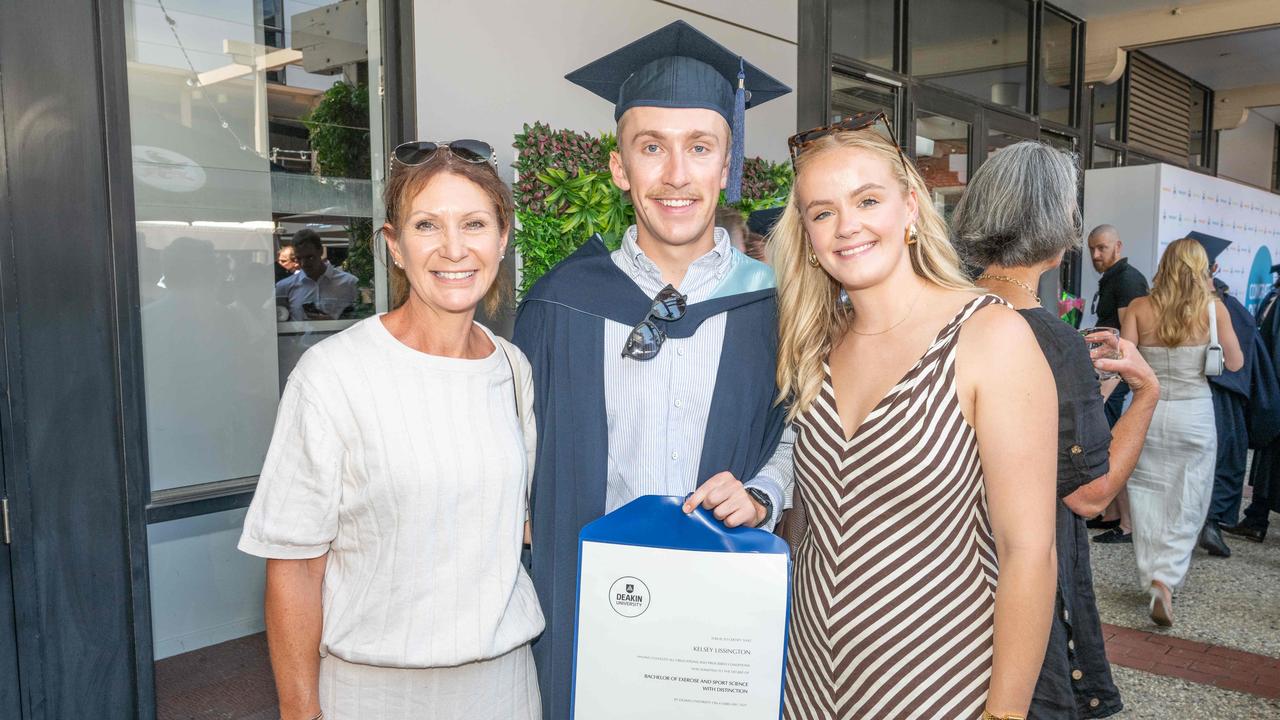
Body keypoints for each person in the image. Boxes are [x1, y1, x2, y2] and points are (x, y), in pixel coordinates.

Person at [513, 21, 794, 720]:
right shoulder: (559, 304)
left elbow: (801, 432)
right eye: (651, 148)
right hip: (590, 606)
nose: (676, 174)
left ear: (727, 165)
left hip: (720, 612)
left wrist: (763, 492)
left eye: (700, 147)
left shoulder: (776, 304)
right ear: (619, 167)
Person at [239, 141, 544, 719]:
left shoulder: (512, 367)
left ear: (502, 240)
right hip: (374, 692)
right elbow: (295, 566)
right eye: (427, 225)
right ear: (394, 245)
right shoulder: (333, 374)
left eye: (475, 224)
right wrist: (300, 713)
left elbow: (517, 521)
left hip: (504, 685)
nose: (454, 248)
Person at [774, 117, 1057, 720]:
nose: (846, 225)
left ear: (909, 207)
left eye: (867, 200)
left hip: (940, 685)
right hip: (809, 685)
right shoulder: (813, 345)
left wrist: (1002, 715)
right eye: (822, 212)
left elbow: (1029, 551)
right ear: (806, 235)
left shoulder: (989, 336)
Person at [952, 141, 1160, 719]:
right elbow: (1090, 495)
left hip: (943, 581)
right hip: (1018, 583)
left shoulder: (946, 310)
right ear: (1059, 229)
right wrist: (1145, 394)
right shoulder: (1048, 337)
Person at [1122, 238, 1243, 627]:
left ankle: (1151, 572)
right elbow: (1237, 362)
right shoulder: (1214, 310)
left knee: (1146, 493)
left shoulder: (1140, 308)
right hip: (1194, 413)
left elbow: (1125, 363)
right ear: (1200, 269)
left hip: (1147, 411)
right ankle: (1165, 577)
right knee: (1189, 497)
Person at [1190, 232, 1258, 558]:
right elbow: (1242, 360)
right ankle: (1212, 523)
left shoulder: (1166, 307)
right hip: (1222, 395)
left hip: (1183, 394)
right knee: (1225, 459)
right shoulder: (1228, 307)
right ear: (1214, 267)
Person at [1087, 225, 1149, 543]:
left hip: (1118, 378)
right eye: (1092, 249)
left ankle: (1126, 523)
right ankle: (1111, 513)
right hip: (1109, 374)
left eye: (1102, 248)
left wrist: (1113, 382)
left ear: (1118, 246)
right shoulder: (1113, 279)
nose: (1096, 255)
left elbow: (1127, 340)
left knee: (1113, 444)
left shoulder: (1127, 280)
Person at [1225, 263, 1280, 542]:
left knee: (1270, 459)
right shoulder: (1274, 297)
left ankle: (1256, 518)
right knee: (1268, 460)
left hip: (1275, 387)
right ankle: (1256, 518)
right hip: (1272, 387)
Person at [275, 228, 359, 320]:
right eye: (299, 258)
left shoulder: (349, 283)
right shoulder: (284, 287)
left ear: (321, 251)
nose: (304, 263)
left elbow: (360, 317)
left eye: (310, 257)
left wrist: (332, 322)